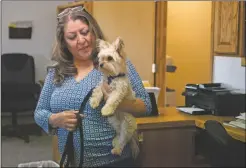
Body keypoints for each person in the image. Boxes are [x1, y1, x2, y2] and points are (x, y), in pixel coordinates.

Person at [34, 6, 152, 167]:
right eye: (72, 36)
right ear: (64, 43)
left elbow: (146, 105)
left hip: (114, 162)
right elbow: (39, 112)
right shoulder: (56, 72)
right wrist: (54, 119)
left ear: (94, 31)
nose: (81, 40)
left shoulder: (116, 64)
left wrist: (116, 101)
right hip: (70, 162)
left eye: (84, 32)